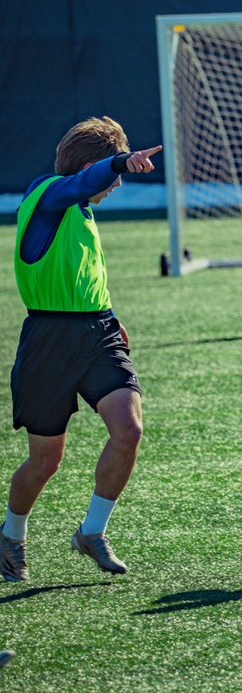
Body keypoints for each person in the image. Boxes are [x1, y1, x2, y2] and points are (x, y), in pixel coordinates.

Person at [2, 117, 158, 582]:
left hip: (97, 335)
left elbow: (83, 277)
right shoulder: (47, 196)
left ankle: (92, 532)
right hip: (48, 343)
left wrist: (110, 316)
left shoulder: (83, 214)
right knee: (46, 461)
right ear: (93, 168)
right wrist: (119, 162)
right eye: (112, 177)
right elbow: (85, 181)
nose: (113, 187)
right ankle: (10, 536)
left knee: (128, 430)